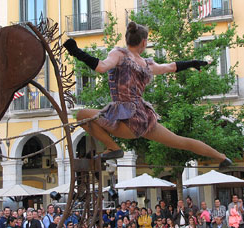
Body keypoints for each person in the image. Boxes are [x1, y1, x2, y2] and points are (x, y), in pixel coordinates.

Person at [63, 21, 232, 168]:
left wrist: (76, 52)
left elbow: (101, 67)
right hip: (143, 118)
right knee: (181, 141)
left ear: (128, 39)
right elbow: (171, 67)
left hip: (126, 120)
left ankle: (113, 147)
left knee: (82, 114)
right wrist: (192, 63)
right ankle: (222, 158)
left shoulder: (119, 54)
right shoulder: (146, 64)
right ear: (144, 42)